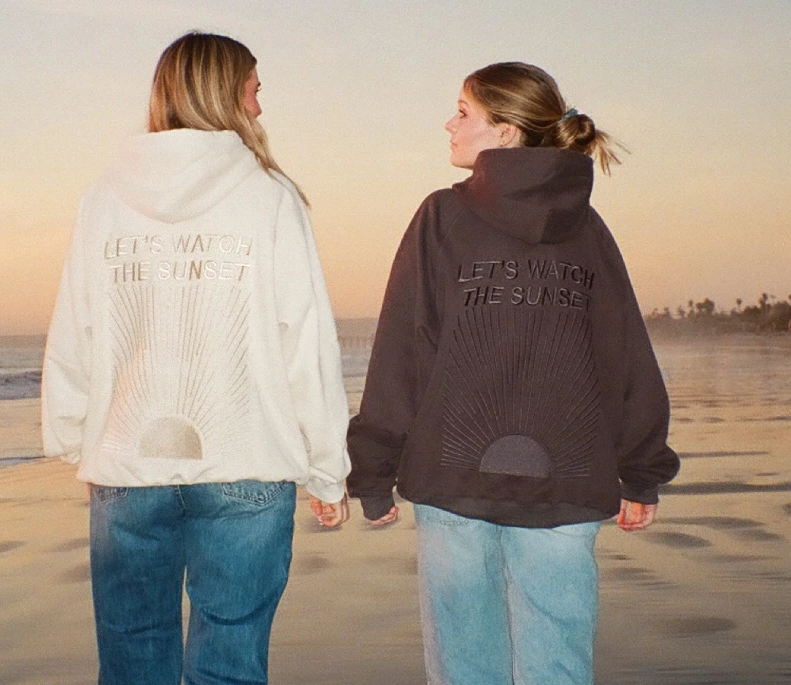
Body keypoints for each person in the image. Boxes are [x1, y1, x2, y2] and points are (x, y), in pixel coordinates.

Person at [346, 62, 679, 684]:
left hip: (454, 477)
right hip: (567, 480)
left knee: (466, 668)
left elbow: (403, 352)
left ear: (505, 131)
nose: (449, 124)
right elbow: (624, 355)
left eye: (463, 112)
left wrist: (374, 468)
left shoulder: (441, 217)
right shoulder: (587, 228)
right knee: (558, 667)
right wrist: (641, 468)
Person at [42, 31, 350, 685]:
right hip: (249, 460)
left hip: (129, 464)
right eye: (254, 89)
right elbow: (305, 340)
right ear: (223, 93)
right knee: (229, 663)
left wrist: (71, 433)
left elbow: (76, 326)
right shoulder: (270, 196)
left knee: (132, 657)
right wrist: (327, 467)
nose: (260, 106)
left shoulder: (104, 198)